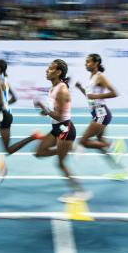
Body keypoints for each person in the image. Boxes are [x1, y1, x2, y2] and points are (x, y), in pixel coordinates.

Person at [0, 59, 43, 183]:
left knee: (7, 150)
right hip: (1, 115)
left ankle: (33, 137)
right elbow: (14, 98)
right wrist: (1, 106)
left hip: (3, 117)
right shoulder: (3, 81)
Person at [34, 59, 91, 202]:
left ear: (58, 72)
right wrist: (44, 110)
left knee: (60, 163)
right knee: (39, 152)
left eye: (51, 69)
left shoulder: (62, 90)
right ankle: (70, 148)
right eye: (48, 68)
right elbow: (54, 111)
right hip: (57, 128)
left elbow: (59, 116)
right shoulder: (53, 88)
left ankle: (80, 192)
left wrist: (44, 109)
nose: (47, 70)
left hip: (65, 128)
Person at [74, 54, 127, 177]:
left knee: (83, 141)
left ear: (96, 63)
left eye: (88, 62)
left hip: (101, 113)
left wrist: (96, 96)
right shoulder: (92, 77)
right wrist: (80, 88)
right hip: (97, 113)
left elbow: (114, 93)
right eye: (85, 62)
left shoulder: (100, 77)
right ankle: (120, 170)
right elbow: (89, 96)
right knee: (100, 144)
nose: (85, 64)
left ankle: (114, 144)